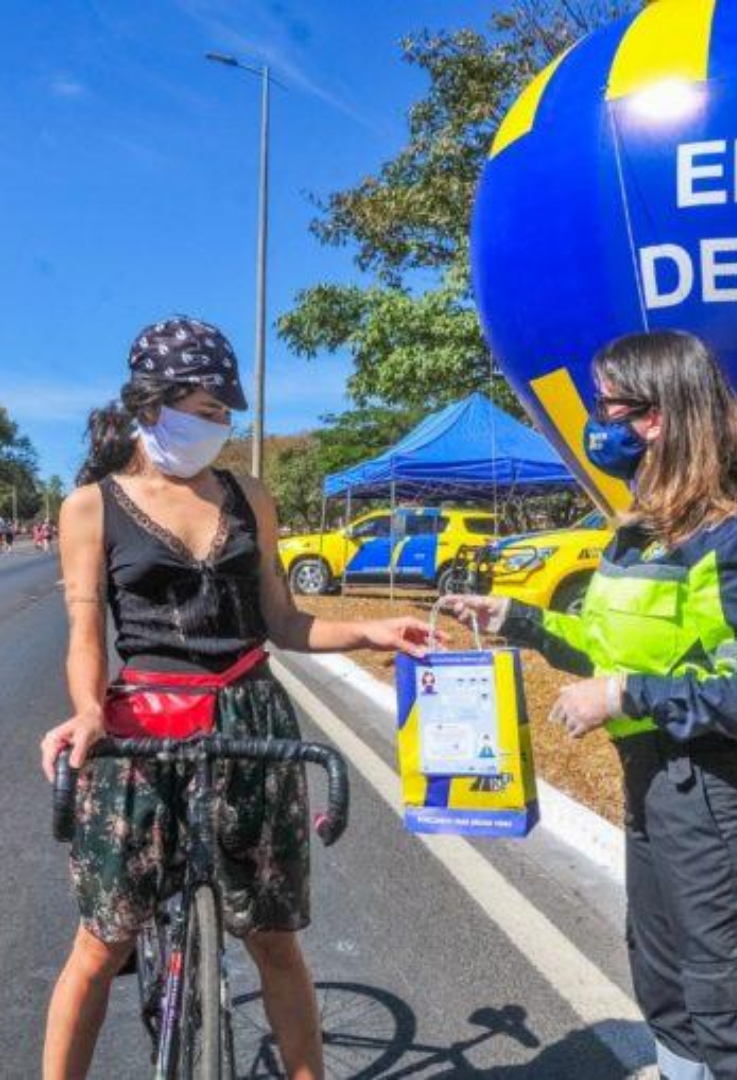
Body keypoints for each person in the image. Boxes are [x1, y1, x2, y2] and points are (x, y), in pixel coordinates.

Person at [40, 316, 441, 1080]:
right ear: (150, 405)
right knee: (102, 943)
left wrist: (374, 631)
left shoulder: (248, 495)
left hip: (250, 720)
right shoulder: (91, 505)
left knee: (275, 939)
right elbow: (85, 629)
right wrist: (91, 711)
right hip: (143, 725)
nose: (218, 427)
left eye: (225, 413)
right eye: (204, 409)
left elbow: (284, 620)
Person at [445, 331, 737, 1080]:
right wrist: (517, 621)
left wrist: (623, 695)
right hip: (651, 782)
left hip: (716, 792)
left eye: (610, 405)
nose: (596, 422)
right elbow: (607, 644)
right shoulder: (638, 537)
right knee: (665, 984)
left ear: (663, 417)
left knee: (735, 1009)